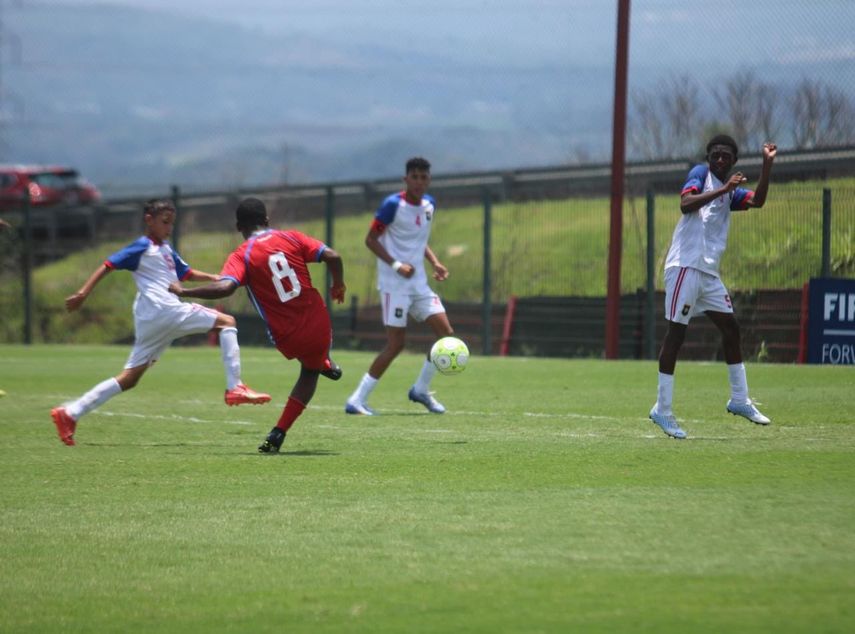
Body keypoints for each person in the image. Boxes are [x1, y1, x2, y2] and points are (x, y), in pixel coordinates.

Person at [50, 199, 271, 446]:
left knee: (129, 378)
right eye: (164, 222)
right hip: (164, 310)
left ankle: (69, 413)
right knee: (226, 321)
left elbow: (186, 274)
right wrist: (83, 293)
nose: (168, 227)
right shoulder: (141, 247)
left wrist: (216, 277)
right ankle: (235, 387)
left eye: (171, 223)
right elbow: (108, 265)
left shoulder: (165, 249)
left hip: (151, 319)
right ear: (149, 220)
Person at [170, 197, 346, 453]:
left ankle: (322, 363)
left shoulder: (243, 254)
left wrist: (185, 291)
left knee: (309, 365)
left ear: (239, 227)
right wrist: (338, 284)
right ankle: (280, 429)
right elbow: (333, 255)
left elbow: (226, 287)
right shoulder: (292, 237)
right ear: (266, 221)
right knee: (310, 368)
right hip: (319, 325)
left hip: (286, 336)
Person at [649, 135, 777, 439]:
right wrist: (723, 188)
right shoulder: (701, 176)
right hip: (685, 266)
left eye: (726, 156)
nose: (720, 160)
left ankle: (739, 400)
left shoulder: (728, 192)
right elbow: (685, 204)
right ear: (709, 158)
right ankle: (662, 411)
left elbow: (757, 201)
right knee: (676, 335)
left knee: (731, 329)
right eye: (715, 155)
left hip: (708, 273)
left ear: (733, 160)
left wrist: (767, 165)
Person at [345, 156, 455, 416]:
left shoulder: (430, 205)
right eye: (414, 177)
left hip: (419, 284)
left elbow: (419, 239)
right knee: (396, 344)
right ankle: (357, 400)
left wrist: (435, 262)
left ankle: (420, 389)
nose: (419, 182)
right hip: (395, 285)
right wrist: (397, 265)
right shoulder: (392, 205)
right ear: (406, 179)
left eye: (423, 177)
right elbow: (370, 240)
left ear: (429, 180)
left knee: (447, 337)